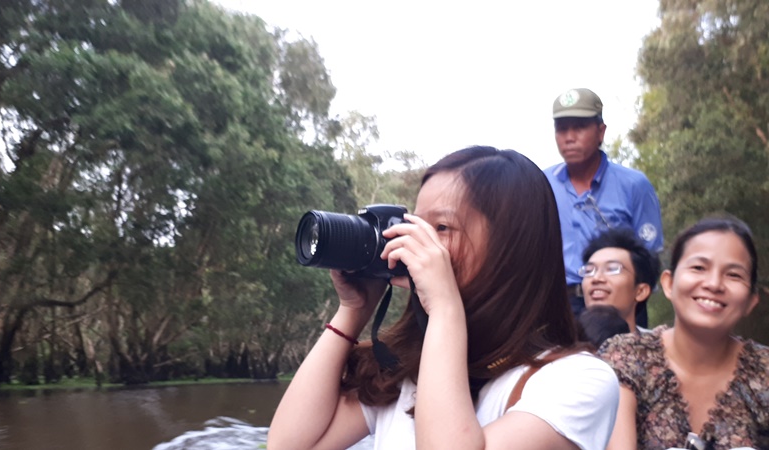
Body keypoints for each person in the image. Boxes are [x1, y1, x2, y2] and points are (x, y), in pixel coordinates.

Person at [268, 146, 619, 450]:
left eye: (441, 228)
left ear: (510, 250)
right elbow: (289, 445)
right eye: (415, 224)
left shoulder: (579, 381)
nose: (418, 243)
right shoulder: (407, 372)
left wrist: (445, 309)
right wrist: (353, 309)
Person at [598, 216, 769, 450]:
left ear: (751, 300)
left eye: (734, 275)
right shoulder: (627, 357)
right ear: (668, 283)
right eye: (699, 268)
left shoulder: (764, 372)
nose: (714, 283)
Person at [544, 88, 663, 327]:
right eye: (562, 128)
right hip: (559, 306)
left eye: (579, 127)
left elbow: (648, 254)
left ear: (601, 132)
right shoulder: (542, 184)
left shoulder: (633, 185)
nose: (569, 137)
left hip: (620, 307)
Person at [580, 228, 661, 334]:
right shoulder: (563, 349)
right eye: (589, 271)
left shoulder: (659, 346)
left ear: (640, 291)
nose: (596, 278)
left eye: (612, 269)